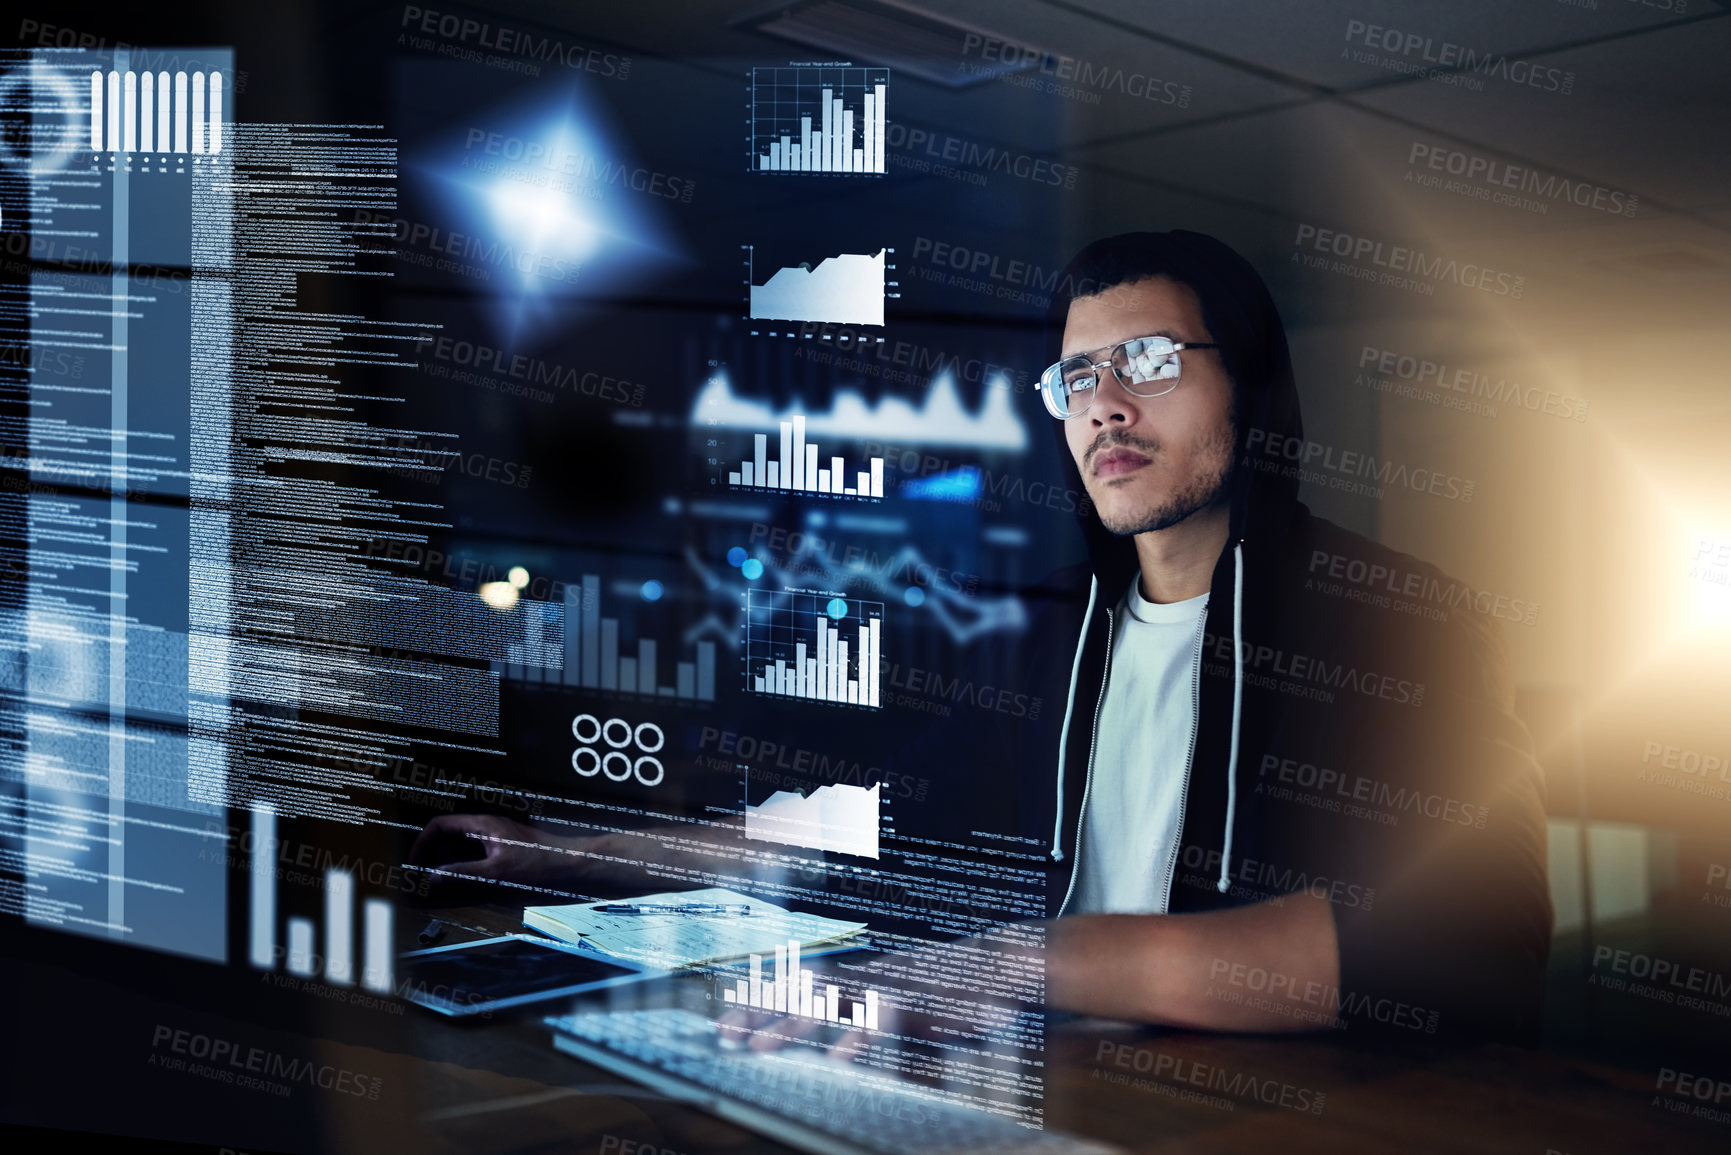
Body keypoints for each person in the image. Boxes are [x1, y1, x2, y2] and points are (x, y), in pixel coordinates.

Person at [414, 230, 1553, 1045]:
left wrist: (1008, 966)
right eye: (1076, 377)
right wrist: (568, 852)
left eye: (1151, 361)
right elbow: (859, 824)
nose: (1105, 403)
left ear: (1248, 388)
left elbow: (1471, 941)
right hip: (1081, 1087)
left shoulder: (1405, 621)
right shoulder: (1051, 632)